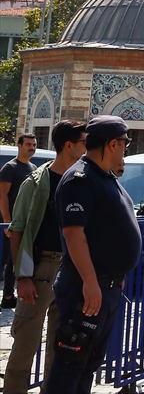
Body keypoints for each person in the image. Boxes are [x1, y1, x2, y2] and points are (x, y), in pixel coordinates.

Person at [45, 116, 141, 394]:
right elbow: (74, 234)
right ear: (113, 144)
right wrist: (90, 281)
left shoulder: (104, 177)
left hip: (106, 285)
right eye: (125, 143)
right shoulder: (80, 179)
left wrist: (116, 275)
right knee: (72, 360)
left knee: (88, 362)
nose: (126, 148)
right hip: (85, 288)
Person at [4, 120, 86, 394]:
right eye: (83, 142)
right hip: (40, 270)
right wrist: (22, 276)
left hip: (70, 270)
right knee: (25, 346)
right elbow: (17, 230)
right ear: (69, 145)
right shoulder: (36, 182)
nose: (87, 148)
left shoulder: (80, 182)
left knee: (60, 350)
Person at [1, 132, 38, 308]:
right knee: (7, 260)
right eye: (28, 144)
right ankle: (7, 296)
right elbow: (2, 195)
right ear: (20, 145)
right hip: (10, 224)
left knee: (15, 259)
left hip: (24, 223)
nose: (31, 148)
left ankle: (8, 296)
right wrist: (8, 222)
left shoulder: (32, 168)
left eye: (34, 145)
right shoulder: (10, 168)